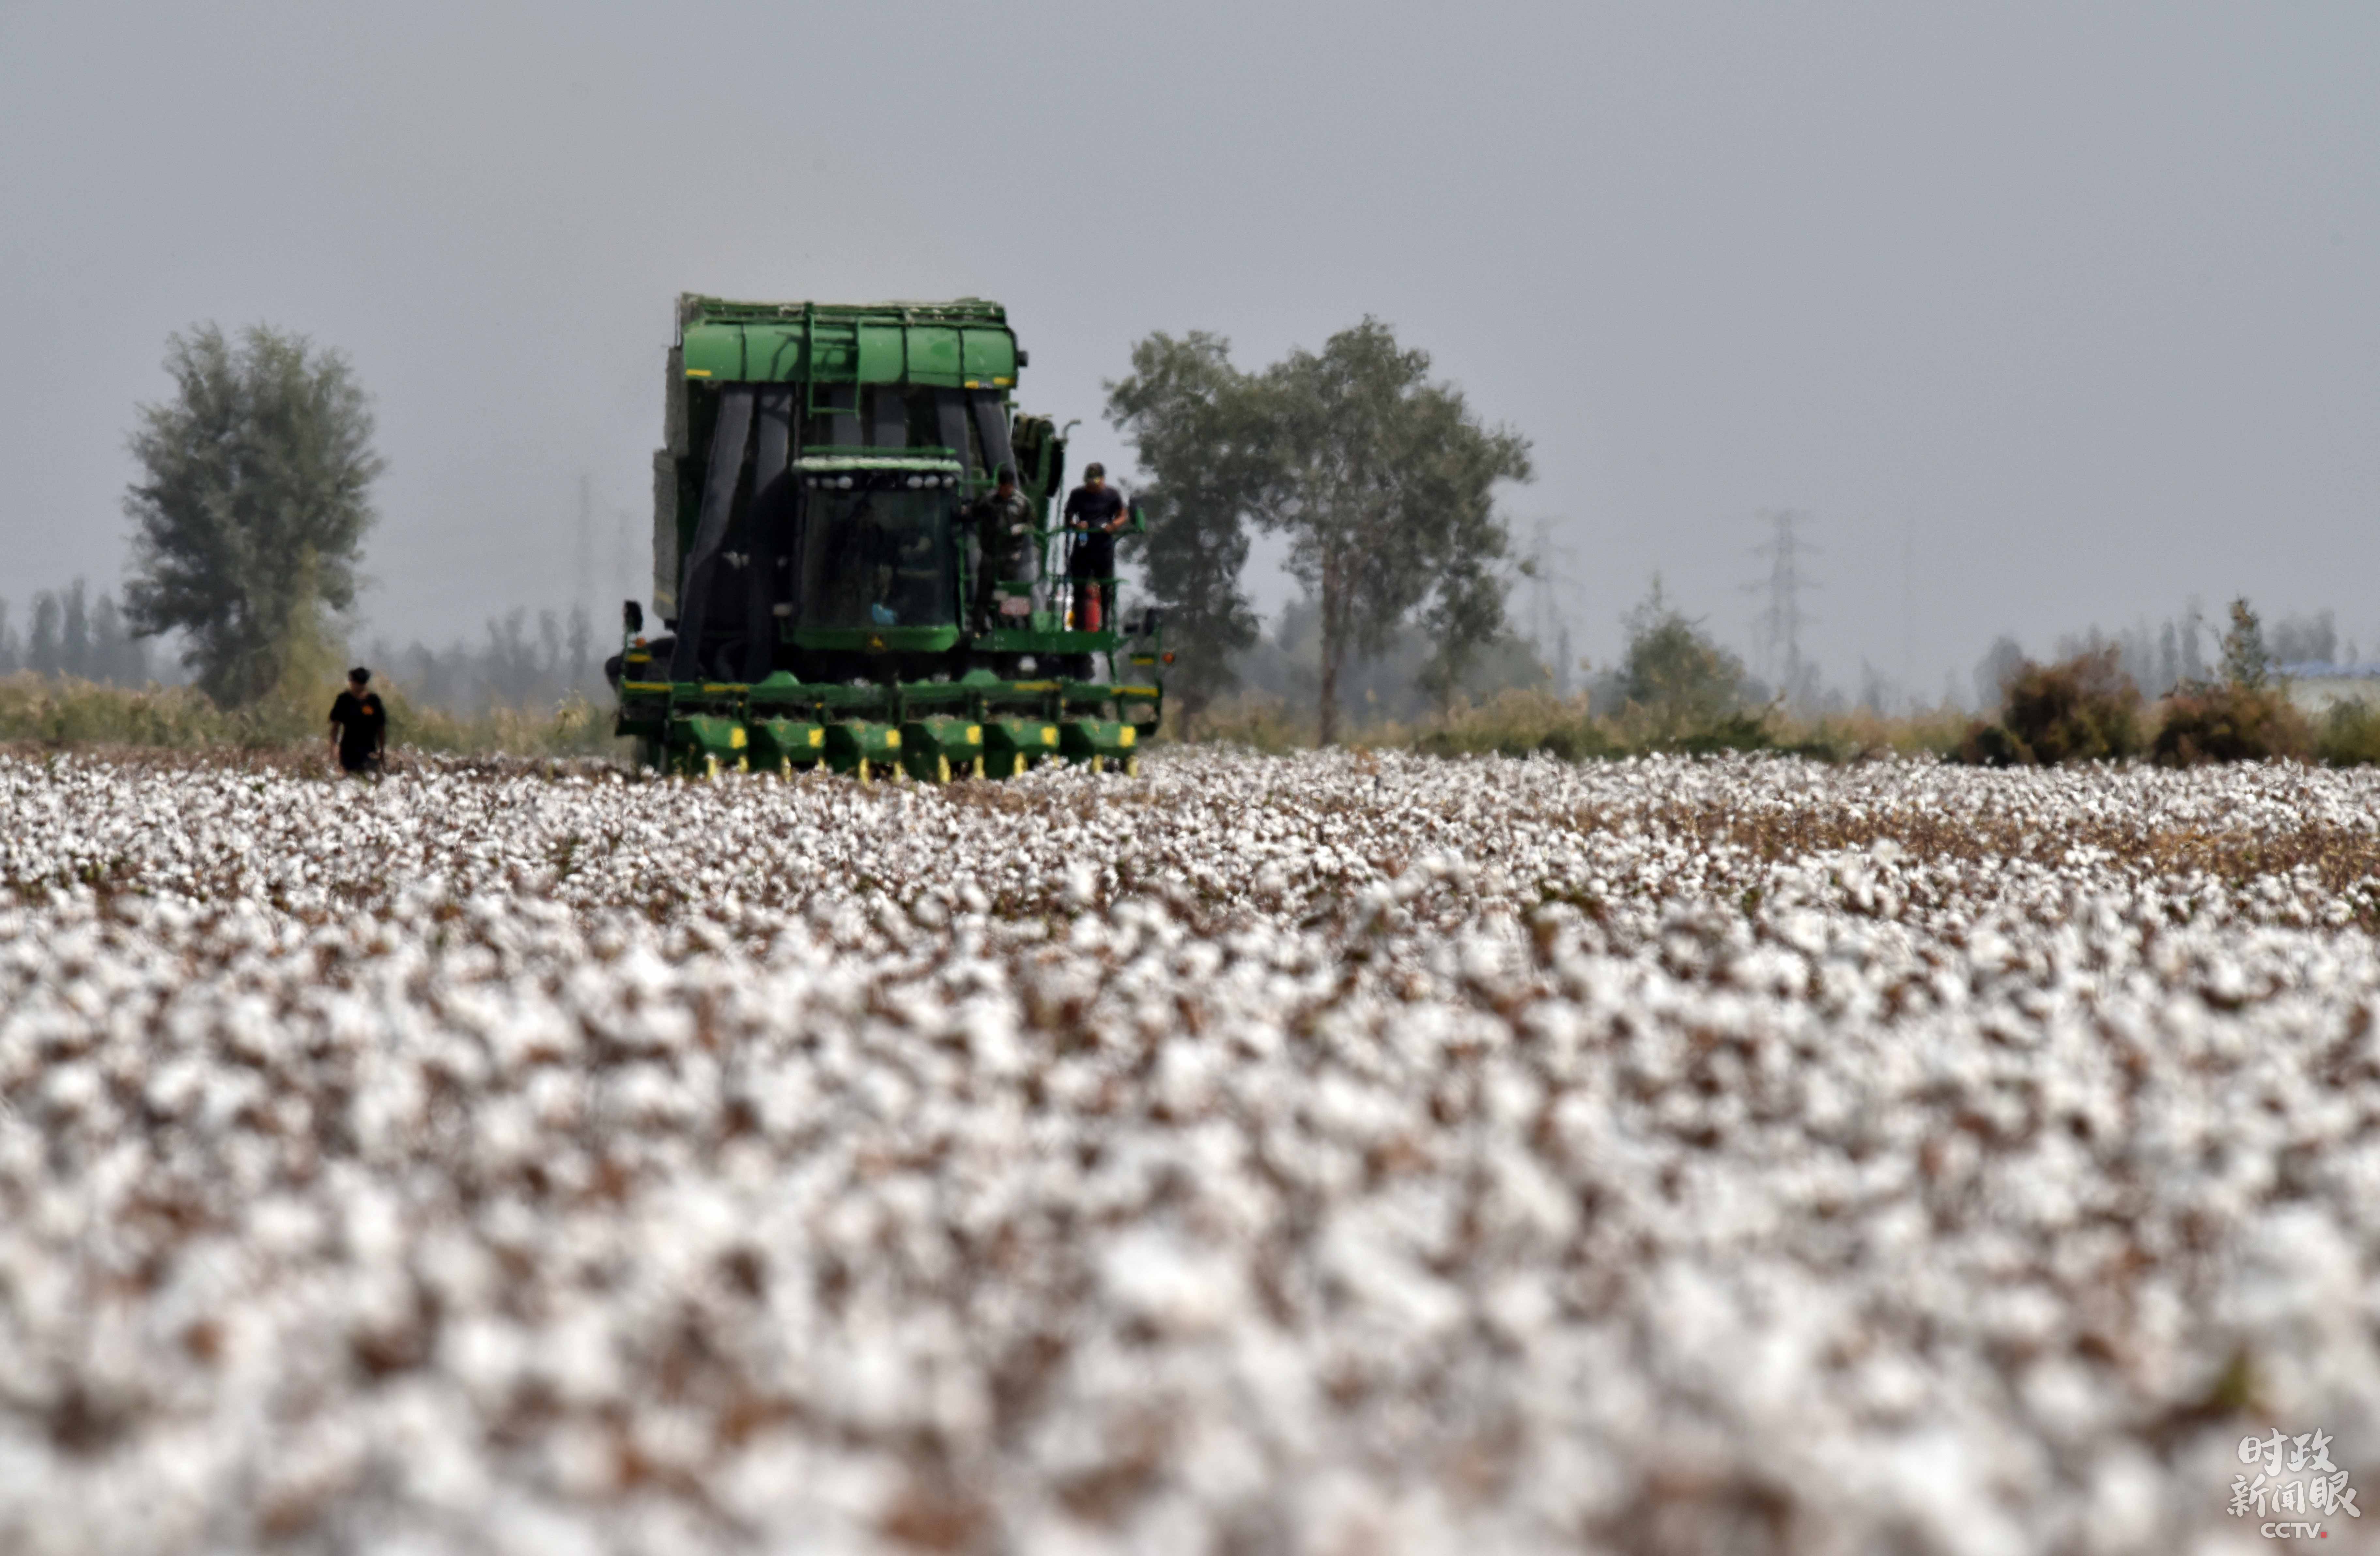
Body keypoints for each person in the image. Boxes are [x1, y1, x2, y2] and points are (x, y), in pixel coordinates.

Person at [969, 463, 1037, 631]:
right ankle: (979, 628)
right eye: (1003, 487)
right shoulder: (988, 499)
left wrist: (1021, 528)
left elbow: (1031, 524)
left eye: (1009, 487)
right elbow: (973, 512)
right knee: (984, 591)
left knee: (1007, 591)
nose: (1006, 490)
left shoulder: (1022, 504)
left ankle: (1008, 625)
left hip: (1010, 555)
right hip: (990, 553)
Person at [1062, 461, 1128, 632]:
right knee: (1079, 586)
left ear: (1103, 480)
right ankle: (1079, 625)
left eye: (1096, 481)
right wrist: (1076, 525)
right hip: (1083, 545)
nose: (1092, 485)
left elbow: (1122, 515)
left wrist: (1114, 525)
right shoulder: (1077, 495)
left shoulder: (1112, 495)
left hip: (1103, 546)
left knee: (1106, 586)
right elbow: (1068, 517)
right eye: (1089, 481)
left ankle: (1106, 623)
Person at [327, 667, 386, 777]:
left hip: (369, 751)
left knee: (368, 780)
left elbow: (381, 728)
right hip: (349, 751)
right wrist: (334, 748)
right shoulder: (344, 700)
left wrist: (382, 751)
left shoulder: (373, 701)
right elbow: (335, 727)